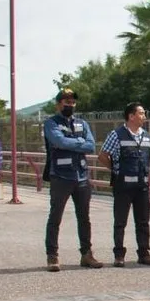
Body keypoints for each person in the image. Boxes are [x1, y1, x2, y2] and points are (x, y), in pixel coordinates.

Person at [43, 88, 103, 271]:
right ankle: (52, 255)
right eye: (66, 101)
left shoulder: (82, 124)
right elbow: (59, 142)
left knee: (84, 217)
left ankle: (87, 254)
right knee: (56, 216)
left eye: (72, 102)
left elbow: (91, 145)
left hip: (81, 176)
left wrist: (71, 144)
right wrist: (79, 144)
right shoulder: (51, 123)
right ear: (59, 103)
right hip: (61, 176)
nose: (70, 104)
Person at [99, 102, 150, 267]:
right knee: (120, 221)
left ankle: (144, 253)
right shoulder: (116, 135)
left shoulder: (146, 135)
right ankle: (119, 255)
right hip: (123, 186)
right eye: (141, 113)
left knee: (143, 221)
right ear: (131, 116)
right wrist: (115, 169)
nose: (144, 116)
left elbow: (148, 158)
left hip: (141, 186)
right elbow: (103, 156)